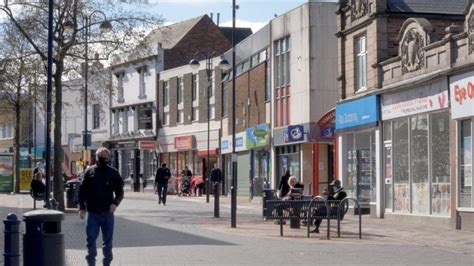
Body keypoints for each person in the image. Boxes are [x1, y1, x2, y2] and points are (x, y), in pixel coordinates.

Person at [78, 147, 124, 266]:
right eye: (100, 156)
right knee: (90, 240)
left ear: (108, 158)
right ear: (96, 157)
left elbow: (120, 191)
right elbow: (82, 191)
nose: (102, 158)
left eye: (105, 156)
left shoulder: (113, 173)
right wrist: (81, 208)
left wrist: (115, 203)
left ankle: (106, 263)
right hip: (92, 213)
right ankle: (91, 263)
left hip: (108, 212)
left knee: (107, 242)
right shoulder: (89, 172)